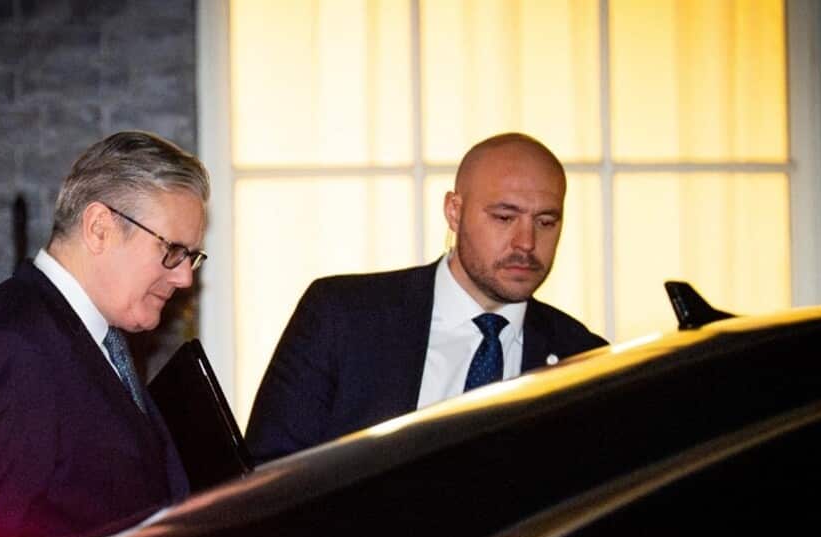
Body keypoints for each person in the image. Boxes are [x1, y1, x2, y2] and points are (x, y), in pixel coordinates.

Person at [0, 130, 208, 537]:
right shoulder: (16, 350)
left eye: (191, 257)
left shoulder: (85, 335)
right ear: (99, 228)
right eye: (172, 250)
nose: (184, 277)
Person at [245, 132, 607, 464]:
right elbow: (266, 476)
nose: (526, 243)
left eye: (546, 222)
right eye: (503, 217)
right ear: (454, 211)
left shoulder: (585, 358)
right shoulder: (343, 317)